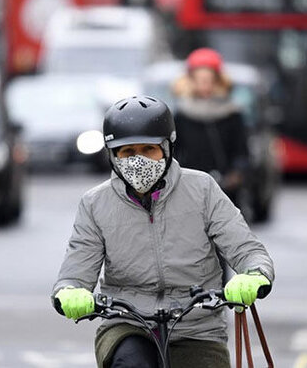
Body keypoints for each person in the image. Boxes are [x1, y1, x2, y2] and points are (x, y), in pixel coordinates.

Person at [51, 96, 274, 368]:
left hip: (197, 328)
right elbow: (75, 271)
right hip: (128, 324)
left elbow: (248, 249)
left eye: (149, 149)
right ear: (112, 155)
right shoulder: (95, 204)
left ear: (167, 149)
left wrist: (254, 275)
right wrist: (71, 291)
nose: (139, 160)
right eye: (128, 152)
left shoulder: (203, 189)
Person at [172, 48, 250, 209]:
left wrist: (235, 175)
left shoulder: (232, 113)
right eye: (200, 79)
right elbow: (173, 152)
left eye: (209, 79)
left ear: (218, 80)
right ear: (190, 81)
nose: (205, 85)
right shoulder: (182, 114)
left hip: (225, 190)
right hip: (190, 190)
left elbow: (242, 151)